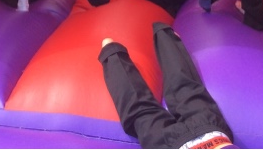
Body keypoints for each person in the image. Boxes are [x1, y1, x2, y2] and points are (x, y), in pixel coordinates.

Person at [98, 22, 237, 149]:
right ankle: (112, 55)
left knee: (186, 88)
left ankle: (165, 35)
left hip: (211, 131)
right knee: (140, 111)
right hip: (171, 143)